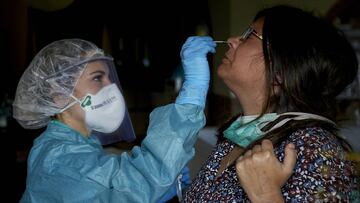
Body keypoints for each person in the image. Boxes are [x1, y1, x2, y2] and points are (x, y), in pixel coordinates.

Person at [183, 5, 359, 202]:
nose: (232, 41)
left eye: (250, 35)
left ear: (281, 72)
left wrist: (267, 195)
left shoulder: (313, 149)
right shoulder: (236, 136)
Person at [13, 37, 216, 202]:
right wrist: (194, 91)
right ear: (60, 94)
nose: (111, 88)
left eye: (110, 77)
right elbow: (135, 181)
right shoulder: (58, 159)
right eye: (97, 78)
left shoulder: (77, 144)